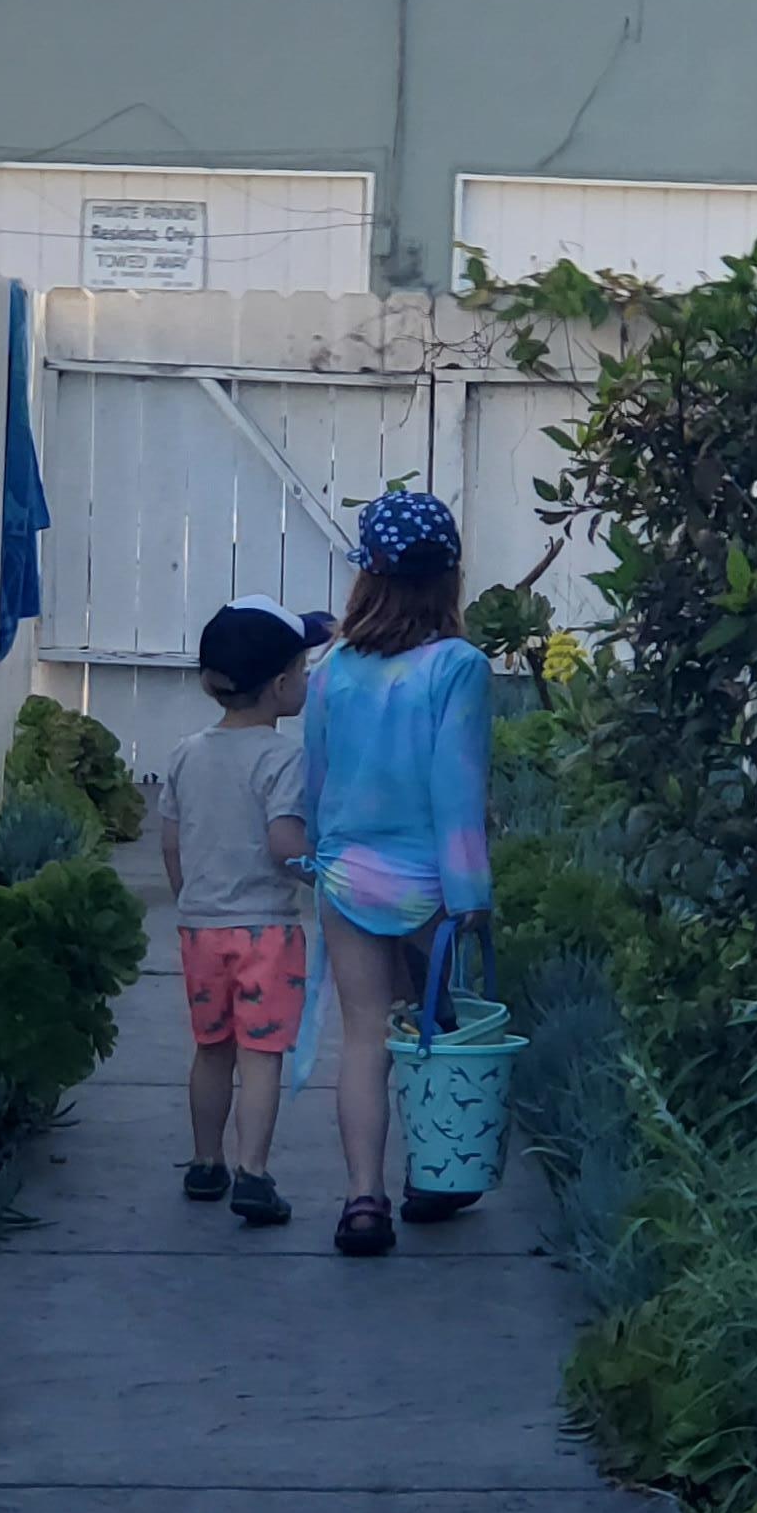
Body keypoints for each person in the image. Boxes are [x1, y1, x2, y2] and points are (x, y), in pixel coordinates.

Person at [303, 491, 493, 1258]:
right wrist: (471, 894)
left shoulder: (334, 669)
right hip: (429, 883)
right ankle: (435, 1172)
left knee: (363, 1038)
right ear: (449, 577)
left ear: (367, 577)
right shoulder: (459, 667)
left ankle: (363, 1200)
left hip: (348, 874)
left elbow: (316, 778)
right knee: (434, 1031)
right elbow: (457, 791)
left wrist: (318, 854)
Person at [159, 598, 326, 1227]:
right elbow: (285, 844)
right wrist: (323, 871)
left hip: (200, 928)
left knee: (211, 1048)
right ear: (281, 685)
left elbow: (171, 840)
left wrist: (189, 896)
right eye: (303, 670)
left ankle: (205, 1163)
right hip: (266, 933)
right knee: (261, 1053)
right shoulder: (283, 759)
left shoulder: (185, 753)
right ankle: (252, 1173)